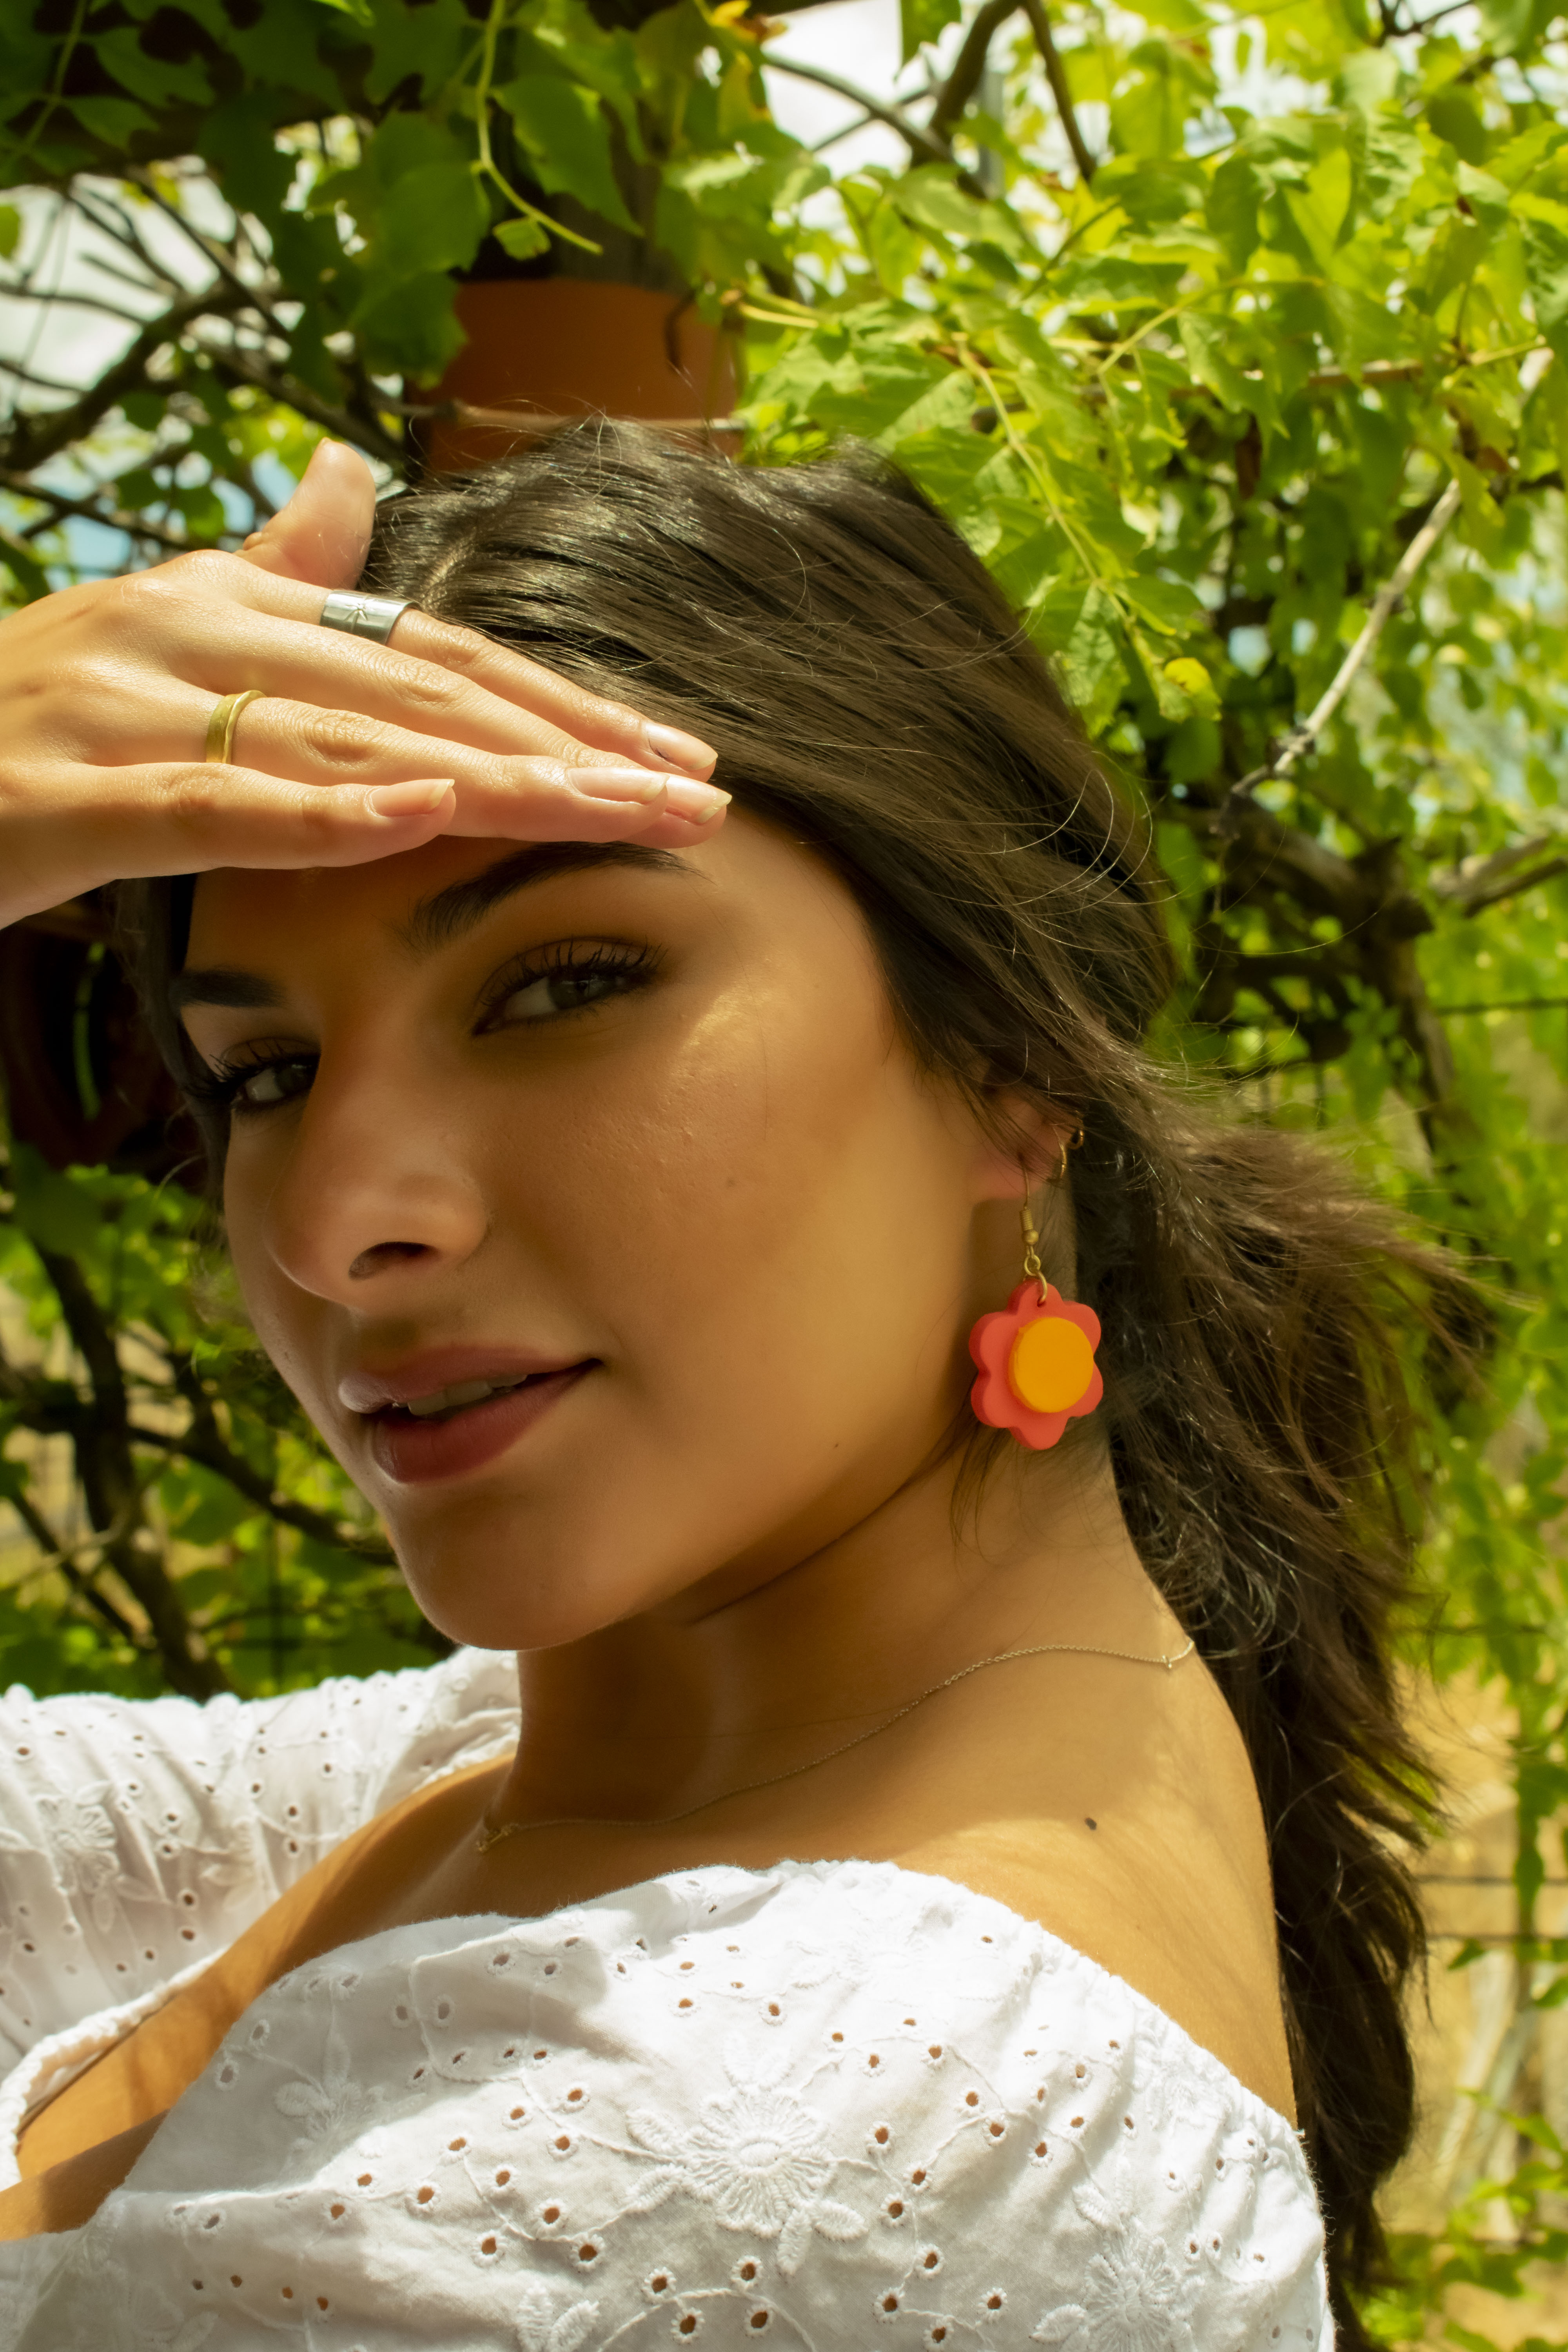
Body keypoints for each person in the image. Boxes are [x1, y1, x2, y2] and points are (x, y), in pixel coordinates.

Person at [0, 426, 1441, 2350]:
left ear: (1013, 1054)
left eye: (565, 983)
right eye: (266, 1076)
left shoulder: (778, 2139)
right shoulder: (536, 1762)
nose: (337, 1222)